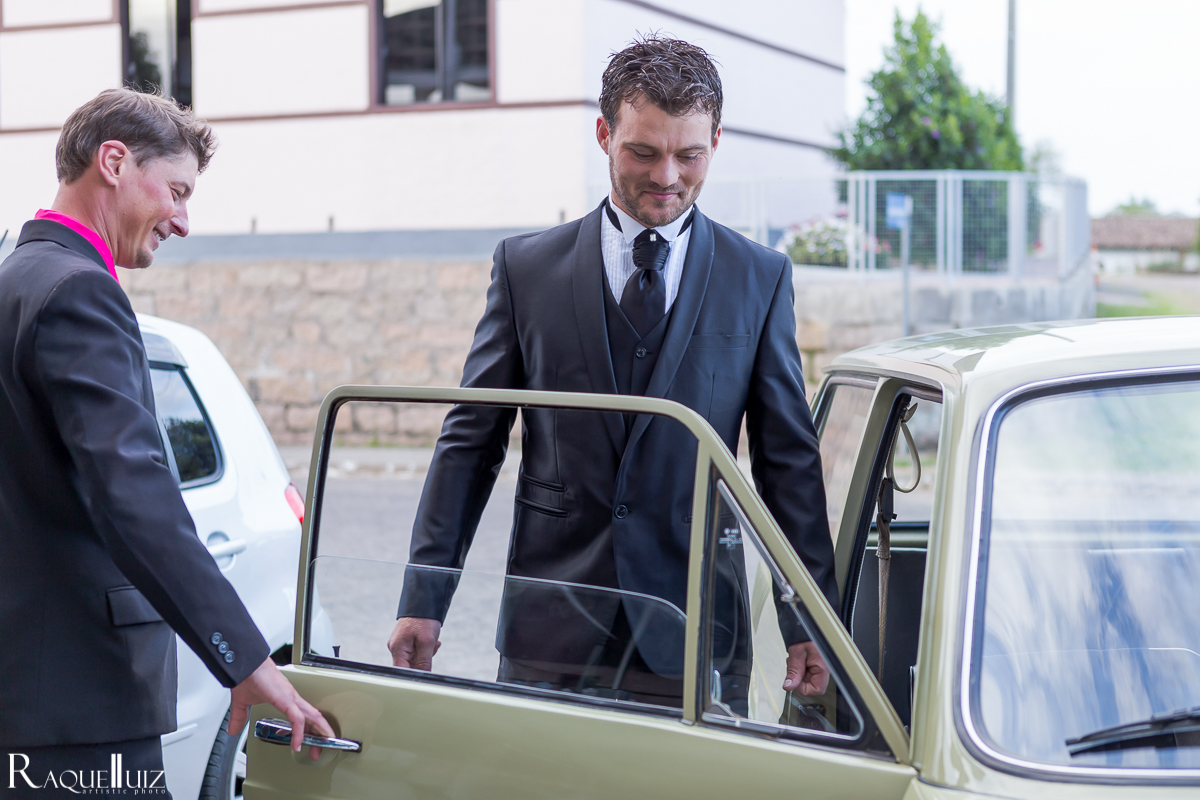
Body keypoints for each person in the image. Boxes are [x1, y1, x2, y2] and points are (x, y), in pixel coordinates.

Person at [388, 35, 837, 707]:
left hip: (696, 630)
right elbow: (470, 443)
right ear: (603, 134)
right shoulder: (525, 269)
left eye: (690, 155)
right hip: (550, 628)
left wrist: (809, 620)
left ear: (716, 141)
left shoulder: (760, 277)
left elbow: (788, 462)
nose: (667, 177)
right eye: (643, 152)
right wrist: (424, 597)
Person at [0, 89, 332, 796]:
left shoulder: (13, 282)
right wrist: (246, 661)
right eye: (176, 192)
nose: (183, 221)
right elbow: (134, 498)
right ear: (114, 162)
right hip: (79, 710)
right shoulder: (81, 293)